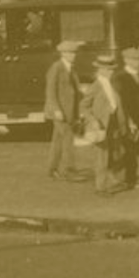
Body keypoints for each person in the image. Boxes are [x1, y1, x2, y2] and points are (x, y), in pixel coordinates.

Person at [82, 55, 137, 195]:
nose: (111, 72)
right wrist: (93, 121)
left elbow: (120, 105)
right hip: (102, 126)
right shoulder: (95, 86)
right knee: (102, 156)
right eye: (107, 69)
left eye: (112, 69)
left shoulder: (111, 84)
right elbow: (83, 106)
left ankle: (112, 178)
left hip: (115, 123)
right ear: (100, 70)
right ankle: (100, 187)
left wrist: (129, 121)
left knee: (116, 152)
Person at [44, 38, 86, 182]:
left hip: (69, 112)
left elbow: (75, 91)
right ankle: (70, 171)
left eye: (74, 52)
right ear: (62, 53)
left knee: (58, 141)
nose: (73, 55)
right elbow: (50, 91)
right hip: (60, 112)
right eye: (70, 53)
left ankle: (52, 169)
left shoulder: (71, 69)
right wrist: (56, 109)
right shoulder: (56, 68)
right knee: (68, 139)